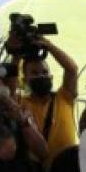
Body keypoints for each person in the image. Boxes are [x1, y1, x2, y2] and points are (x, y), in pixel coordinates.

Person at [17, 36, 79, 165]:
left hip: (70, 169)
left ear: (51, 76)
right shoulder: (20, 102)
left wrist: (49, 46)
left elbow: (72, 69)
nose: (41, 75)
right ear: (24, 80)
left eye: (45, 72)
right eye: (34, 73)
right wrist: (16, 53)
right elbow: (9, 83)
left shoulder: (64, 97)